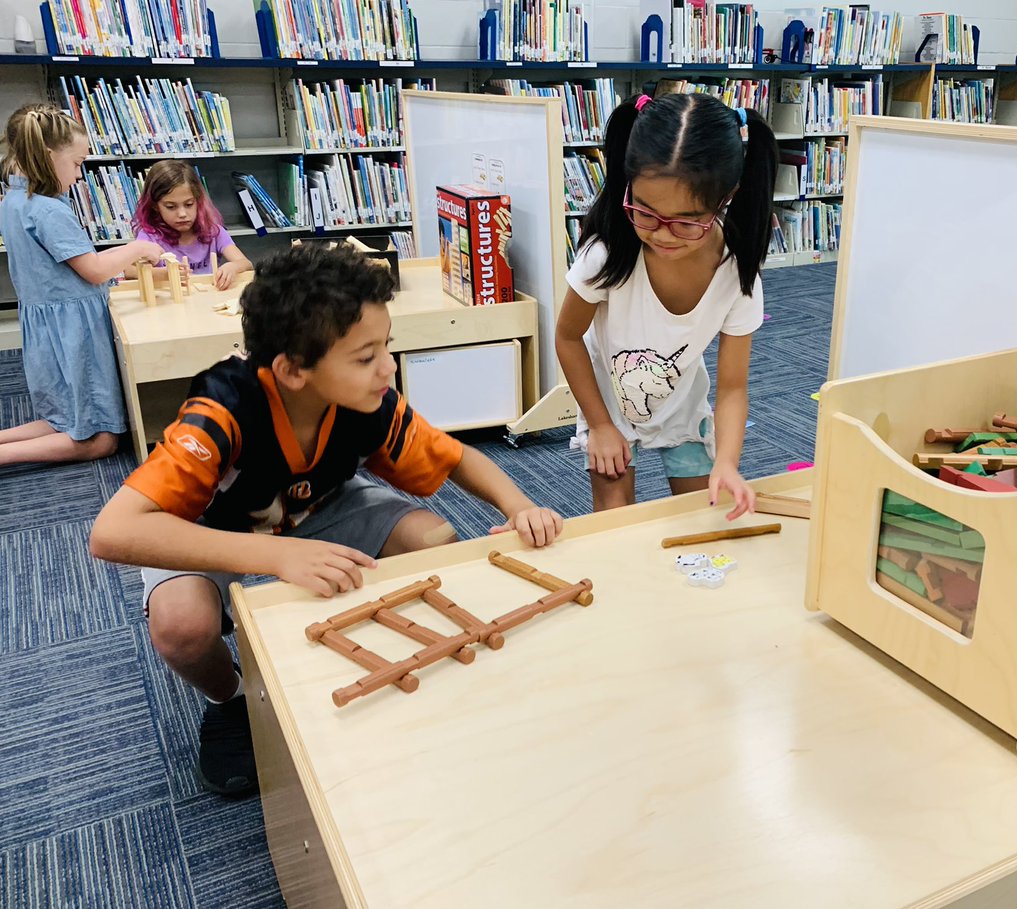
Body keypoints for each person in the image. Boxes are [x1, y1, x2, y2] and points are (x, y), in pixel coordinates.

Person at [90, 243, 563, 798]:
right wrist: (276, 556)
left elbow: (456, 457)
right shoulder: (222, 408)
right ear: (293, 370)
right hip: (211, 528)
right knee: (181, 627)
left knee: (433, 540)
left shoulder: (373, 401)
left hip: (322, 506)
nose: (388, 367)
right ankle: (231, 700)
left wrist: (519, 507)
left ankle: (398, 659)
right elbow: (112, 532)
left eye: (387, 346)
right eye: (366, 357)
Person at [554, 92, 778, 518]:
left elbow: (733, 387)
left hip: (681, 404)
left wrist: (728, 463)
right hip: (607, 403)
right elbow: (567, 337)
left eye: (687, 220)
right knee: (616, 520)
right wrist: (600, 425)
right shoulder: (607, 253)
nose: (662, 234)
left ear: (726, 198)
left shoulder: (736, 273)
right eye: (645, 212)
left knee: (702, 512)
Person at [0, 103, 163, 467]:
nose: (79, 174)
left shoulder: (14, 199)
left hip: (47, 328)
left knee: (65, 419)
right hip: (73, 331)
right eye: (76, 164)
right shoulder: (48, 210)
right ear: (46, 157)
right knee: (101, 439)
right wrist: (137, 247)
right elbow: (93, 270)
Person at [132, 159, 252, 291]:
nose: (182, 214)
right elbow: (128, 270)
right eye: (171, 207)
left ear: (198, 201)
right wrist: (163, 274)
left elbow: (246, 263)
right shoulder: (150, 237)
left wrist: (233, 267)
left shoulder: (214, 232)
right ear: (155, 206)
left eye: (189, 204)